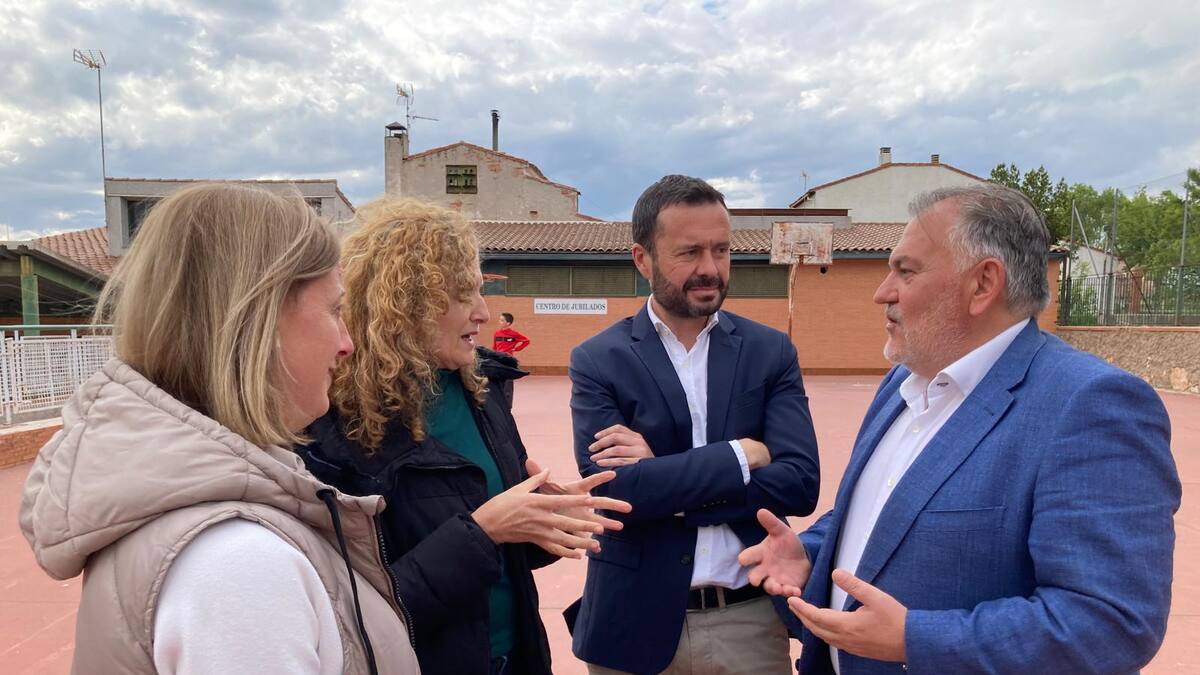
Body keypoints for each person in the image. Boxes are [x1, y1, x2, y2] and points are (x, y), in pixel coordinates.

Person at [740, 184, 1181, 675]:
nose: (881, 292)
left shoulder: (1090, 405)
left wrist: (916, 640)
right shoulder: (903, 383)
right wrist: (810, 552)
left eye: (905, 271)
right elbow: (883, 521)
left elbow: (1111, 623)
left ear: (982, 284)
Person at [19, 184, 419, 674]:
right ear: (257, 321)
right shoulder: (237, 565)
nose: (347, 343)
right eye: (334, 310)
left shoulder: (204, 518)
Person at [298, 198, 631, 675]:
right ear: (407, 302)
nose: (484, 312)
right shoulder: (333, 420)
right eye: (462, 294)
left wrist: (542, 518)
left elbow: (506, 559)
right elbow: (353, 616)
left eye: (480, 290)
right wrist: (486, 529)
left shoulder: (483, 389)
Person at [565, 175, 821, 675]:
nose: (711, 269)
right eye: (689, 253)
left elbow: (799, 483)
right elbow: (617, 492)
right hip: (632, 626)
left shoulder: (770, 353)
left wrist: (661, 473)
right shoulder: (598, 360)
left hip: (746, 623)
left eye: (722, 250)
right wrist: (741, 456)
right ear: (643, 259)